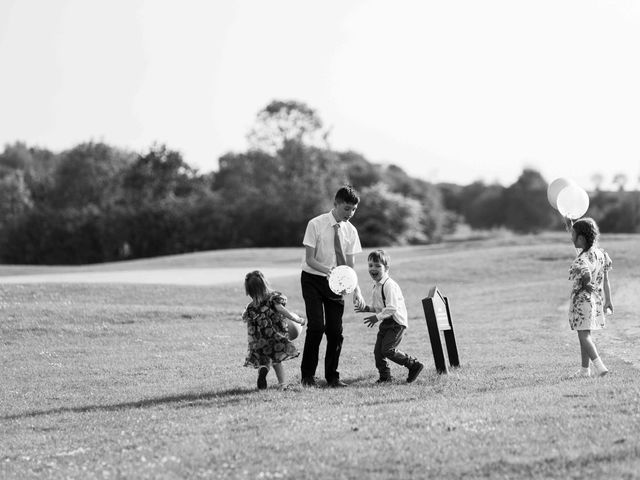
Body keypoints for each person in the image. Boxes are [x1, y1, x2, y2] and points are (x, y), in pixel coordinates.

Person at [300, 185, 362, 387]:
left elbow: (350, 267)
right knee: (317, 327)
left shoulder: (351, 231)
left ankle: (332, 378)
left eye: (353, 209)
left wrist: (356, 291)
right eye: (346, 208)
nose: (350, 213)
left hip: (336, 283)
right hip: (312, 279)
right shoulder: (315, 224)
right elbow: (310, 259)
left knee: (335, 331)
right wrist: (331, 272)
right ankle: (307, 377)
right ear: (335, 204)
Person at [354, 249, 425, 383]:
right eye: (370, 265)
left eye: (377, 266)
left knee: (387, 350)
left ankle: (413, 365)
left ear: (386, 268)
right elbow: (381, 308)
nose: (373, 269)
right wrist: (367, 309)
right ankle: (385, 377)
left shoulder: (389, 285)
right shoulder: (377, 286)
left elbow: (392, 308)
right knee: (378, 352)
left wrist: (376, 318)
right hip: (387, 322)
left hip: (396, 323)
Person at [566, 217, 614, 377]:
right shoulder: (600, 254)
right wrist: (609, 300)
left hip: (582, 303)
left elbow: (585, 271)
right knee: (585, 334)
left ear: (580, 238)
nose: (571, 238)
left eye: (573, 235)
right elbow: (606, 279)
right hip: (595, 301)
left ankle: (600, 366)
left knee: (584, 335)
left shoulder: (582, 259)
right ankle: (584, 370)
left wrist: (586, 281)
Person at [243, 270, 306, 390]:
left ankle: (263, 370)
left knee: (264, 360)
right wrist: (297, 320)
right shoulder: (273, 299)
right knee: (277, 362)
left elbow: (245, 317)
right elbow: (282, 310)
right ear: (264, 283)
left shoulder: (251, 307)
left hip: (260, 341)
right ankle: (283, 385)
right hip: (275, 337)